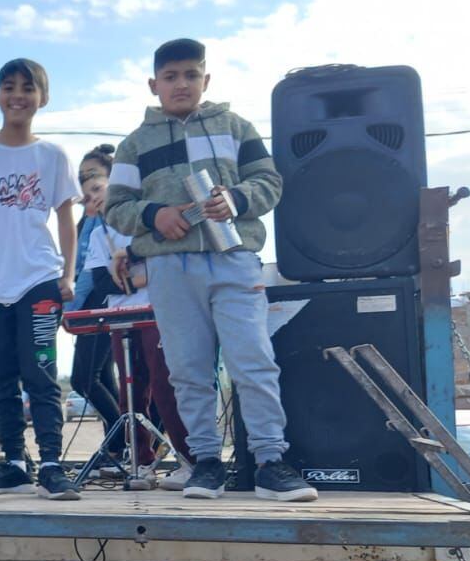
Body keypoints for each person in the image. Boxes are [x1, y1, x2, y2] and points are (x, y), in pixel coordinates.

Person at [104, 38, 317, 502]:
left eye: (191, 74)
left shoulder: (236, 127)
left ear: (206, 79)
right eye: (171, 76)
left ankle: (270, 462)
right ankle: (204, 462)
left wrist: (237, 199)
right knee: (187, 368)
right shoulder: (135, 144)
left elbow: (270, 181)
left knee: (254, 360)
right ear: (153, 84)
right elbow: (115, 206)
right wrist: (154, 215)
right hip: (169, 267)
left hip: (235, 259)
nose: (181, 84)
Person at [0, 59, 81, 499]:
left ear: (42, 98)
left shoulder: (53, 156)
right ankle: (14, 462)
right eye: (9, 87)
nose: (18, 95)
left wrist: (67, 273)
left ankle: (50, 464)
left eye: (28, 87)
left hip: (38, 281)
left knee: (41, 373)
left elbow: (67, 218)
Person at [81, 184, 195, 487]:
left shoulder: (144, 226)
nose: (96, 199)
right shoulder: (97, 236)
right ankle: (141, 461)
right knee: (131, 393)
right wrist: (140, 278)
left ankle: (189, 459)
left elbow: (164, 267)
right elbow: (102, 283)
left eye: (99, 190)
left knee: (165, 386)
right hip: (121, 319)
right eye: (90, 198)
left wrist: (132, 278)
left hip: (157, 312)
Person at [68, 147, 125, 464]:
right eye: (81, 178)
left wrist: (72, 309)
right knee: (103, 377)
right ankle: (117, 449)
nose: (85, 183)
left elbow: (92, 269)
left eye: (92, 175)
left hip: (105, 295)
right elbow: (79, 264)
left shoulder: (113, 211)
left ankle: (122, 439)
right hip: (91, 297)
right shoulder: (87, 218)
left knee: (83, 378)